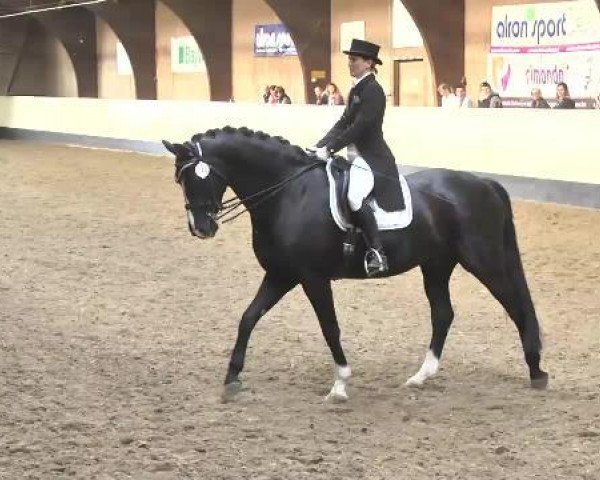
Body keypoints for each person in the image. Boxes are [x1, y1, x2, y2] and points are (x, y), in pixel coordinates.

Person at [314, 39, 402, 277]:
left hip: (372, 158)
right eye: (349, 60)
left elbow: (361, 126)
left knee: (354, 197)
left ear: (368, 63)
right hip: (355, 156)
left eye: (354, 60)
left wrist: (331, 149)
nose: (349, 64)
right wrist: (319, 146)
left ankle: (377, 252)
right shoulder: (356, 89)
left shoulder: (374, 90)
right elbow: (343, 123)